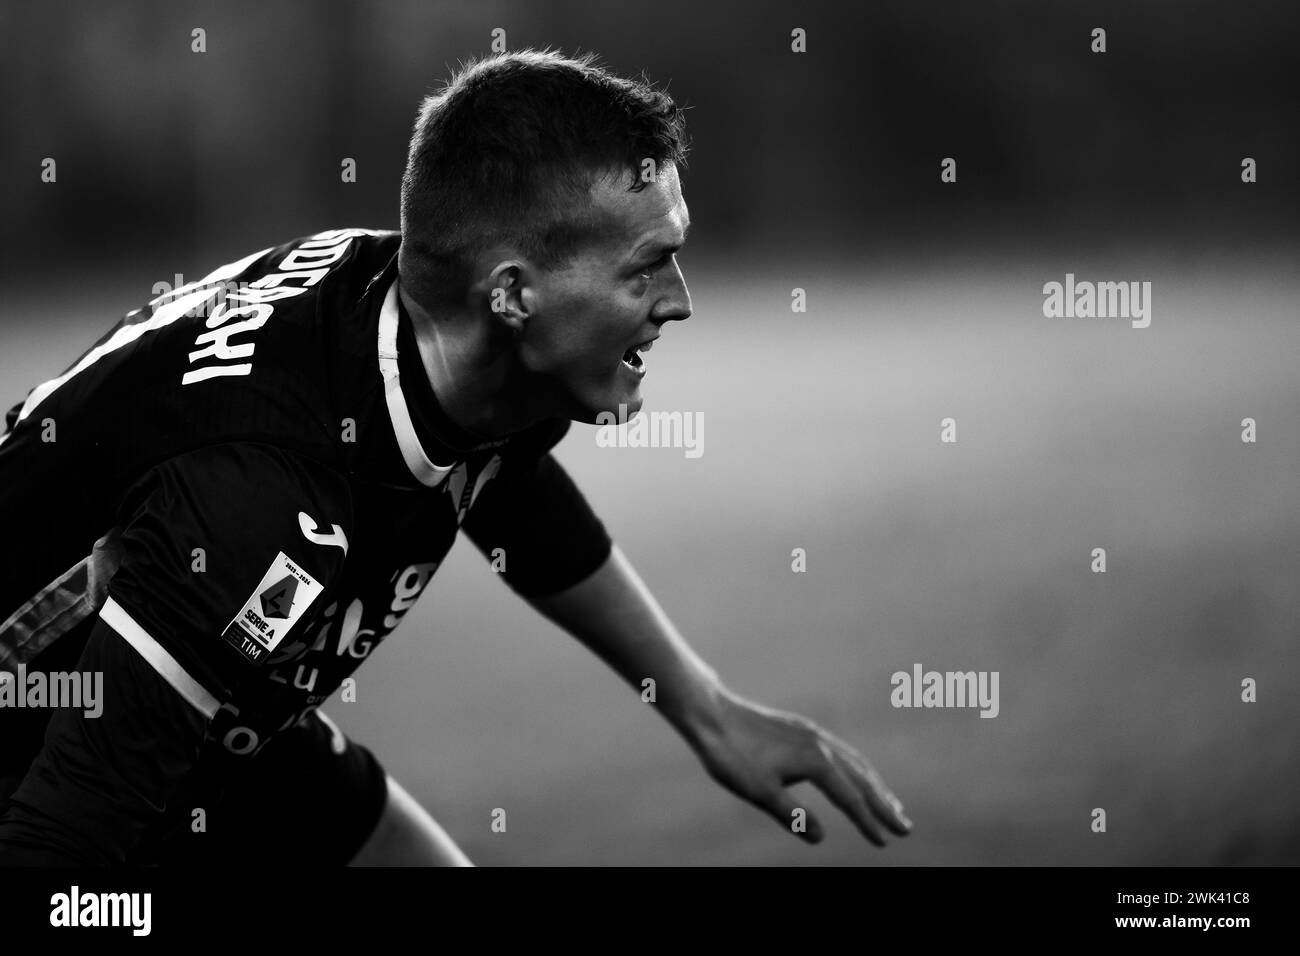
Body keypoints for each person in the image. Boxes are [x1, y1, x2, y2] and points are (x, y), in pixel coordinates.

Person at [0, 48, 910, 865]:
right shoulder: (260, 498)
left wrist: (703, 709)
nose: (679, 301)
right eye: (647, 266)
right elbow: (62, 835)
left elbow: (511, 486)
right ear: (512, 293)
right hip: (57, 764)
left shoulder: (448, 339)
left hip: (215, 712)